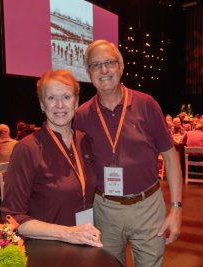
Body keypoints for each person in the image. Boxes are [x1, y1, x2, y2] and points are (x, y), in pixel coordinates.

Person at [73, 39, 182, 267]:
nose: (103, 70)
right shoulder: (81, 115)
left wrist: (176, 209)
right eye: (95, 65)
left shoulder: (146, 104)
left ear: (121, 67)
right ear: (88, 72)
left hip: (148, 206)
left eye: (109, 63)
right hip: (105, 210)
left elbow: (171, 158)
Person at [0, 69, 102, 247]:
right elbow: (13, 217)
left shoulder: (85, 141)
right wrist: (67, 233)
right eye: (51, 98)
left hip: (84, 241)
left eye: (66, 97)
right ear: (41, 104)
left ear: (76, 102)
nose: (60, 105)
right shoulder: (27, 149)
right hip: (46, 249)